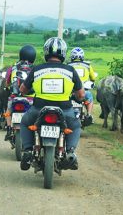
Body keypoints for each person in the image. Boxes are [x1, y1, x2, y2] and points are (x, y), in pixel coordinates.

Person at [19, 37, 84, 171]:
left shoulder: (37, 69)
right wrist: (75, 96)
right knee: (76, 126)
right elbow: (81, 95)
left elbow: (23, 90)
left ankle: (27, 151)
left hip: (38, 109)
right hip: (65, 111)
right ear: (63, 53)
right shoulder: (70, 70)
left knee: (25, 122)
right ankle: (70, 152)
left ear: (46, 52)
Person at [2, 45, 36, 141]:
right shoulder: (36, 69)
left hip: (14, 97)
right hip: (31, 99)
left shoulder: (13, 68)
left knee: (8, 111)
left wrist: (7, 86)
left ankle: (9, 128)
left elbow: (7, 83)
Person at [68, 47, 97, 123]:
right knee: (89, 98)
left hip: (70, 92)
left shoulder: (68, 65)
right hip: (83, 92)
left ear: (72, 56)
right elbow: (93, 78)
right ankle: (89, 115)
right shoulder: (87, 66)